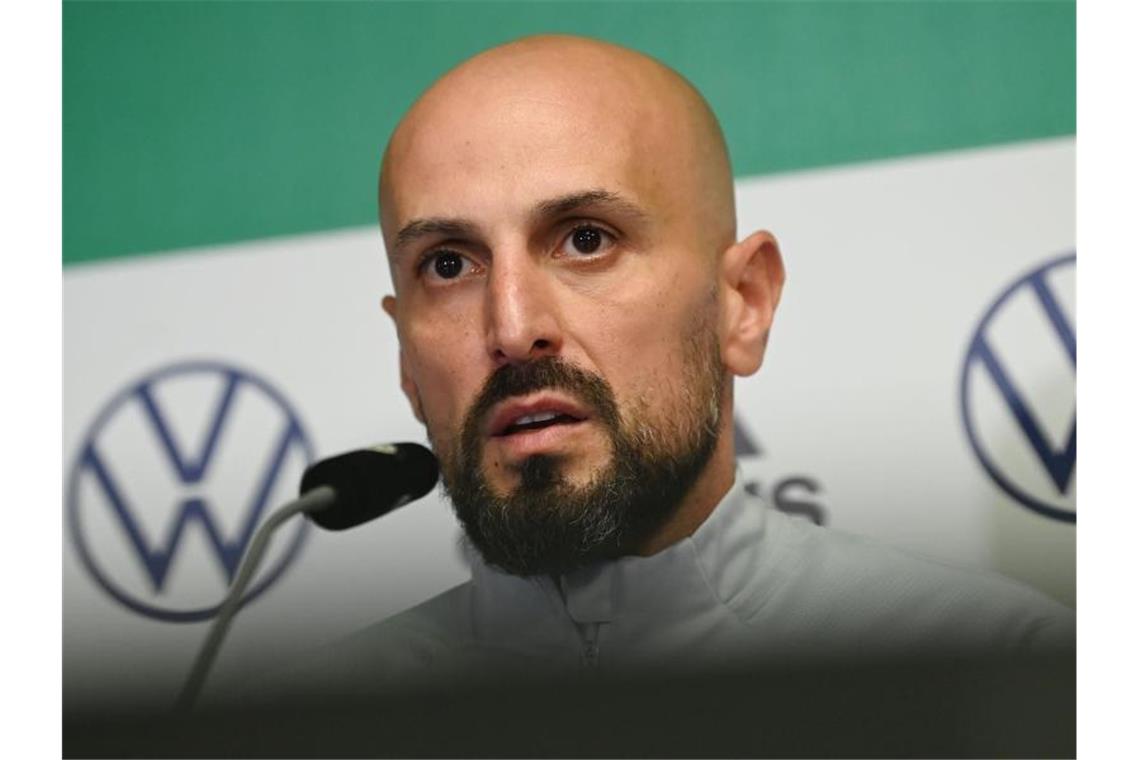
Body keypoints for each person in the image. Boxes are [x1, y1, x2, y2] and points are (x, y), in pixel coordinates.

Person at [286, 34, 1073, 692]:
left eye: (586, 240)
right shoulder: (296, 726)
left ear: (744, 303)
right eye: (450, 266)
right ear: (405, 358)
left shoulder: (996, 670)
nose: (514, 328)